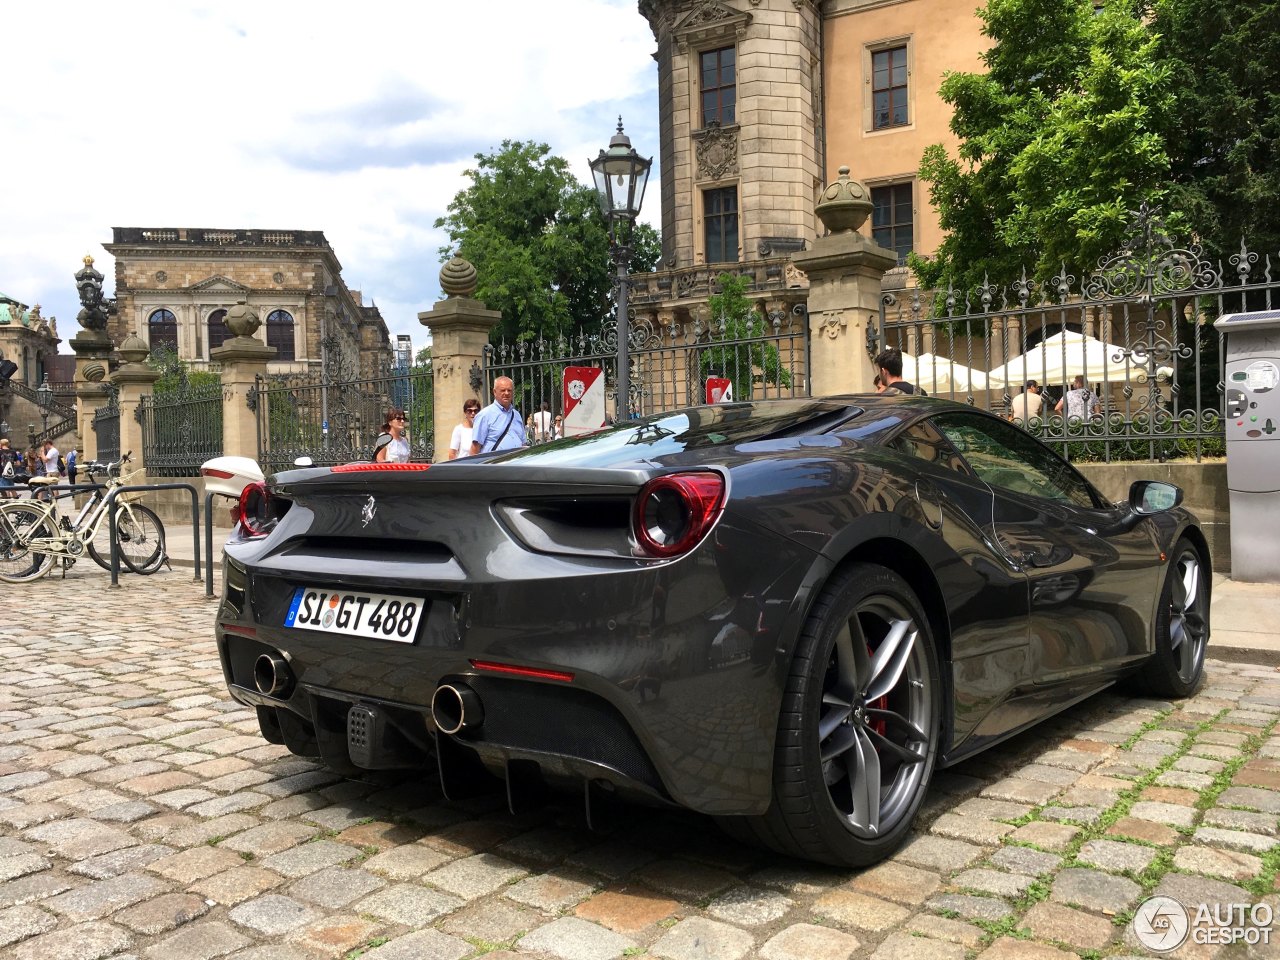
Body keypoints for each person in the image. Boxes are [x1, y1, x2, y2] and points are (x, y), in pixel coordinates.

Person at [470, 376, 526, 455]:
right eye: (503, 390)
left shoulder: (516, 415)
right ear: (494, 392)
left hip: (516, 463)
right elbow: (475, 448)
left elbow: (523, 443)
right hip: (494, 465)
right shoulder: (484, 415)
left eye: (509, 390)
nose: (506, 393)